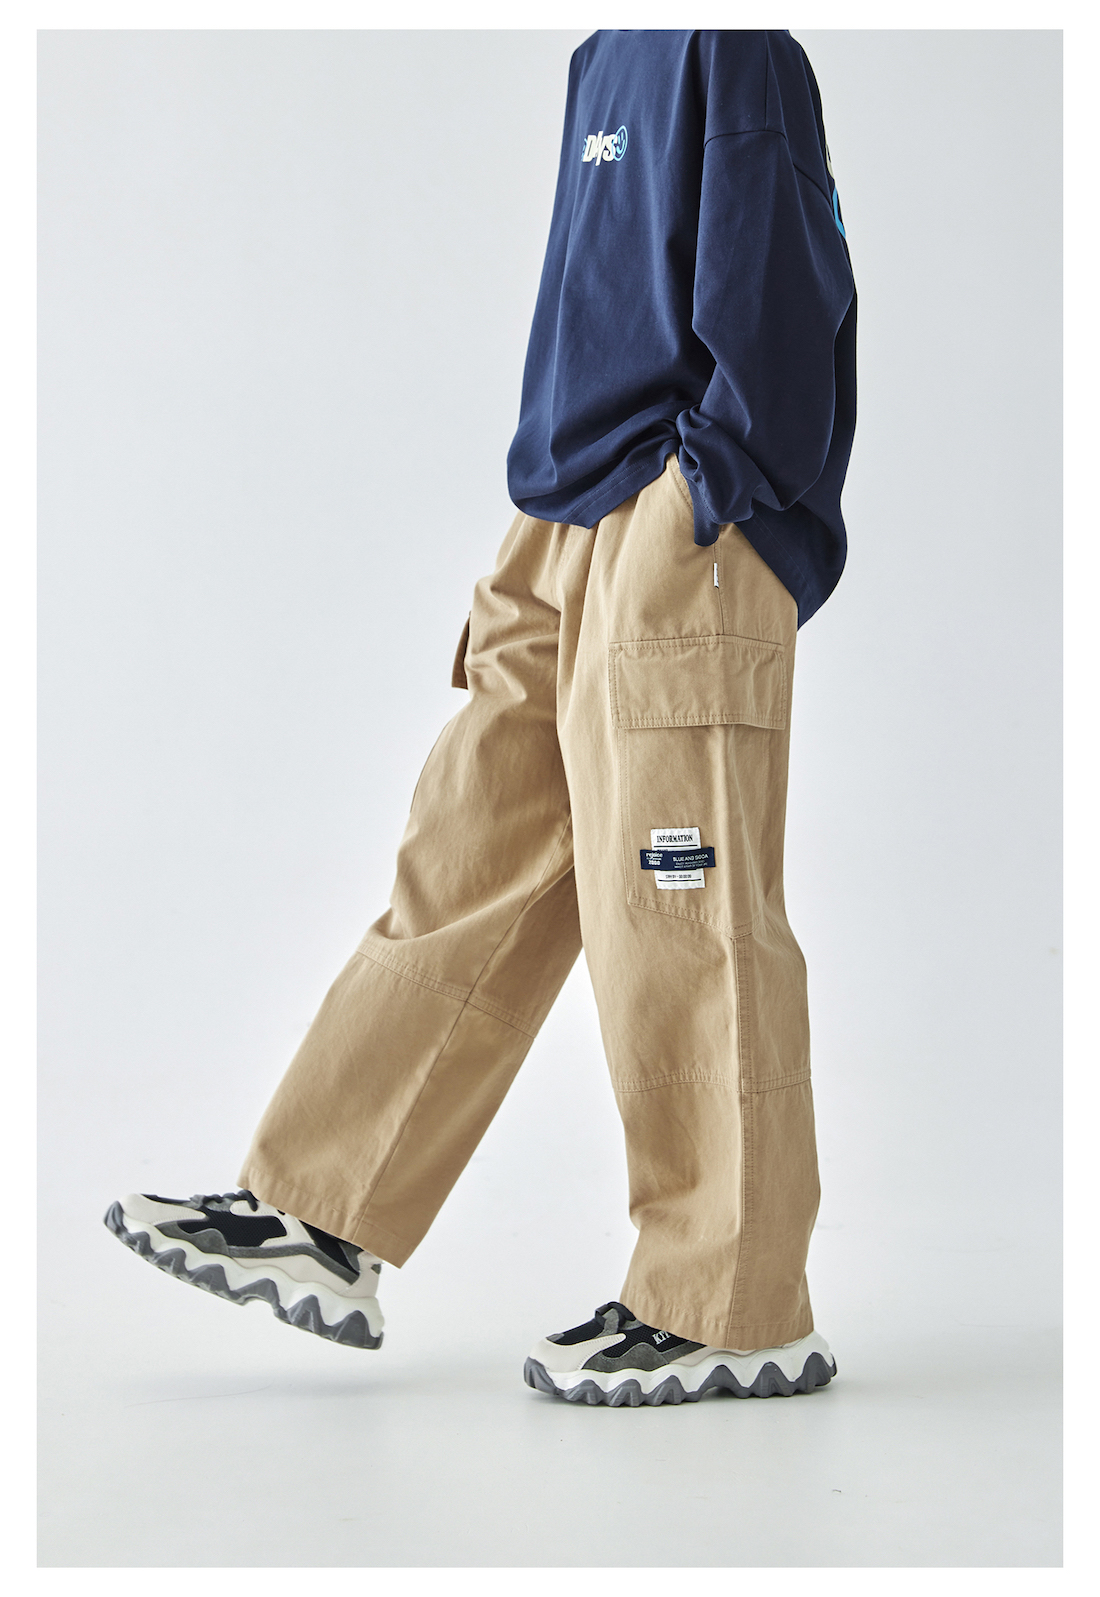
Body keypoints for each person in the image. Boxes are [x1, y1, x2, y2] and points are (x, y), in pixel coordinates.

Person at [105, 28, 857, 1408]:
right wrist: (551, 509)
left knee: (682, 912)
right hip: (556, 514)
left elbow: (782, 303)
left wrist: (702, 497)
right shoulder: (602, 55)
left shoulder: (733, 45)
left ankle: (732, 1302)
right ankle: (324, 1211)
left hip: (680, 525)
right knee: (466, 860)